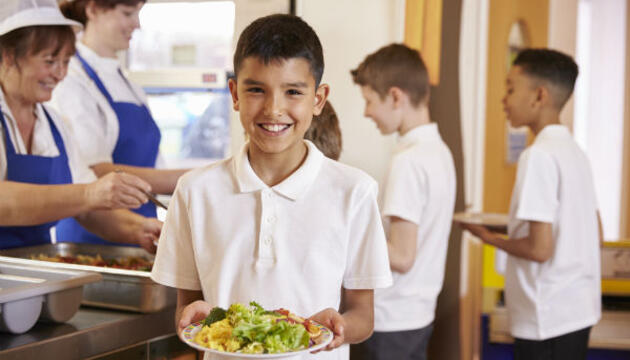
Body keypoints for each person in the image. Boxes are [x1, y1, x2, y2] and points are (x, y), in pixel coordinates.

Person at [150, 14, 393, 360]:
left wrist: (339, 325)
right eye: (256, 90)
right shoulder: (194, 192)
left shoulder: (355, 191)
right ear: (234, 93)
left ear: (318, 99)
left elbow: (363, 316)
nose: (274, 109)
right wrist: (197, 318)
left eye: (293, 91)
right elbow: (186, 309)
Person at [459, 48, 602, 360]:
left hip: (546, 317)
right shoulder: (575, 153)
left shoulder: (538, 156)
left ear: (540, 95)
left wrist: (488, 238)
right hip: (578, 310)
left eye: (510, 88)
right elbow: (593, 230)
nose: (504, 99)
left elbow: (540, 249)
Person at [0, 0, 160, 252]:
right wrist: (88, 194)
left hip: (31, 270)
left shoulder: (53, 125)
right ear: (8, 56)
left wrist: (140, 228)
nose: (60, 74)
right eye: (50, 61)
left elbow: (88, 210)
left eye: (65, 62)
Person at [348, 43, 456, 360]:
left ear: (396, 97)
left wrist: (348, 234)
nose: (366, 112)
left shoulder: (408, 161)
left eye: (369, 101)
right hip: (417, 313)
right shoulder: (439, 151)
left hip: (392, 319)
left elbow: (403, 255)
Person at [50, 0, 188, 245]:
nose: (137, 24)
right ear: (92, 10)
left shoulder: (129, 85)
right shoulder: (70, 78)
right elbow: (95, 171)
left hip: (142, 231)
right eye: (127, 13)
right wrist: (191, 179)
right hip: (92, 237)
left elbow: (155, 165)